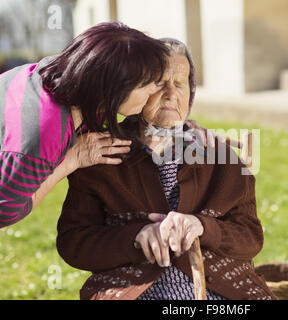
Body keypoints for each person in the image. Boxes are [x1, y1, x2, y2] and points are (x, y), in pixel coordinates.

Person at [56, 38, 276, 300]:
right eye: (160, 83)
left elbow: (250, 237)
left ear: (190, 92)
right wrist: (135, 237)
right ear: (136, 90)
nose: (171, 94)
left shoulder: (221, 158)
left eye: (180, 84)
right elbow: (74, 242)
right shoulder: (100, 154)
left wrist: (202, 226)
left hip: (220, 291)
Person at [0, 22, 208, 228]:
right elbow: (5, 213)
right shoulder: (41, 135)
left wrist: (178, 127)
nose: (156, 90)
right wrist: (73, 159)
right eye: (149, 83)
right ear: (115, 91)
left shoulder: (67, 73)